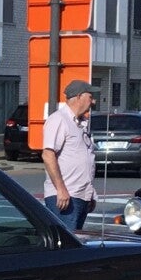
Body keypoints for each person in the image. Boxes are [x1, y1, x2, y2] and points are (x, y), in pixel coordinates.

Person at [40, 80, 98, 230]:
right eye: (90, 97)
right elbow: (48, 155)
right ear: (79, 97)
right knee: (67, 241)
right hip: (65, 197)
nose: (93, 101)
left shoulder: (81, 123)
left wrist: (90, 194)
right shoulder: (59, 119)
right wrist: (61, 189)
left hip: (80, 196)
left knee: (76, 240)